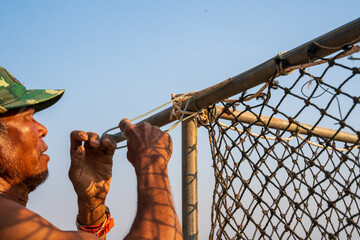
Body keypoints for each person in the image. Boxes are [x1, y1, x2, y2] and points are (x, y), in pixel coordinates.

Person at [0, 66, 183, 240]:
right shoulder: (8, 222)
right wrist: (151, 163)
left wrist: (92, 204)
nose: (42, 128)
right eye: (26, 116)